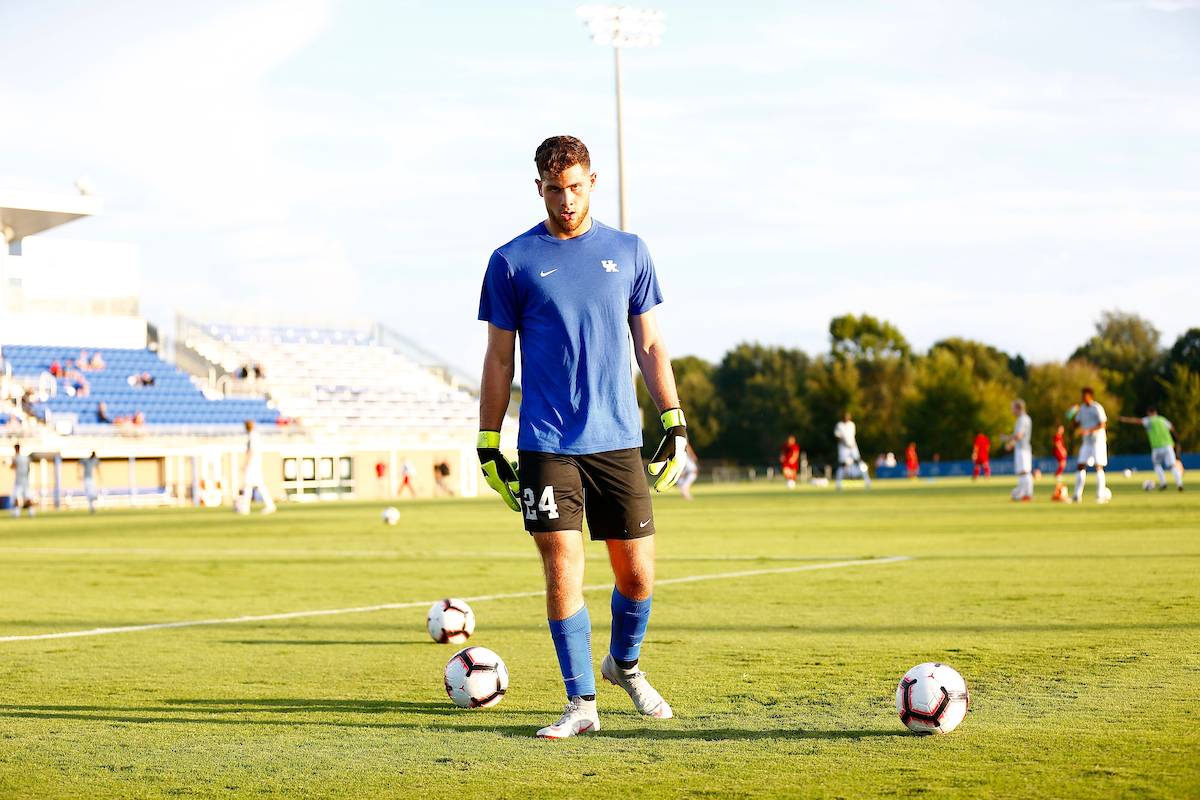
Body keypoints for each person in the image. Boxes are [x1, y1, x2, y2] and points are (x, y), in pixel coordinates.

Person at [476, 135, 683, 739]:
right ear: (537, 186)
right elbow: (497, 360)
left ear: (593, 182)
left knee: (637, 577)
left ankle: (624, 666)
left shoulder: (630, 250)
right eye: (553, 188)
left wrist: (673, 417)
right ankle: (582, 704)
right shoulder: (511, 260)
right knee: (562, 565)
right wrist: (489, 441)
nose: (565, 200)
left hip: (618, 438)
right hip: (546, 442)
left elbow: (649, 343)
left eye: (575, 187)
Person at [1118, 406, 1184, 491]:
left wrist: (1123, 419)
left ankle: (1163, 483)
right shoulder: (1162, 420)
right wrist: (1176, 441)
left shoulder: (1149, 420)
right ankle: (1180, 484)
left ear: (1149, 413)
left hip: (1157, 447)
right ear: (1156, 412)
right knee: (1172, 465)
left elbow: (1137, 421)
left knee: (1157, 464)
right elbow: (1172, 428)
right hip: (1168, 446)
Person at [1068, 386, 1108, 503]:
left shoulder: (1097, 408)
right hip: (1087, 442)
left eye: (1084, 395)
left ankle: (1100, 495)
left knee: (1098, 466)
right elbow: (1076, 424)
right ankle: (1077, 496)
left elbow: (1102, 425)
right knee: (1080, 465)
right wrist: (1071, 415)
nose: (1082, 397)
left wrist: (1087, 430)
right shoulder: (1081, 409)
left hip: (1098, 441)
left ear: (1090, 396)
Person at [236, 420, 276, 515]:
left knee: (248, 485)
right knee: (258, 485)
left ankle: (245, 509)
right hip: (256, 464)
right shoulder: (255, 435)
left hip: (252, 465)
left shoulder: (252, 436)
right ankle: (270, 506)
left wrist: (244, 463)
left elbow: (251, 450)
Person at [1000, 398, 1033, 501]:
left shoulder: (1022, 419)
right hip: (1021, 448)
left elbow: (1019, 435)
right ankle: (1022, 493)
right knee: (1021, 472)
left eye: (1012, 408)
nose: (1012, 411)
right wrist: (1011, 444)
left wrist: (1006, 438)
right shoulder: (1024, 419)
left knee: (1025, 472)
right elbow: (1018, 436)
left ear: (1017, 408)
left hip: (1023, 449)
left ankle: (1028, 494)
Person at [834, 412, 871, 490]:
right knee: (843, 465)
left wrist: (850, 444)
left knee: (859, 462)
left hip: (852, 447)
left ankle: (867, 482)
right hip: (843, 448)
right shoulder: (839, 425)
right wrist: (845, 442)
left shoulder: (851, 425)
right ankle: (838, 485)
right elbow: (838, 436)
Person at [10, 443, 33, 518]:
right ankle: (31, 513)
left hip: (18, 481)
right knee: (28, 497)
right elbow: (29, 469)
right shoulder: (26, 458)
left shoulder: (15, 458)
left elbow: (12, 467)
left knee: (16, 497)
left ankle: (16, 514)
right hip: (26, 481)